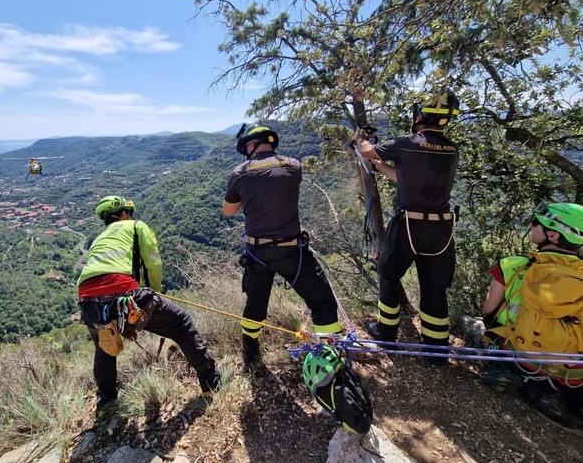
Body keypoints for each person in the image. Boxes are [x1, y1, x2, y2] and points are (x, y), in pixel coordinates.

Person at [77, 195, 220, 414]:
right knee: (181, 323)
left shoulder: (98, 240)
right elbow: (153, 262)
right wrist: (155, 294)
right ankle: (211, 383)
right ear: (125, 213)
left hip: (88, 301)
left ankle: (106, 403)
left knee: (105, 349)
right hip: (124, 292)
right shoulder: (136, 226)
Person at [223, 122, 343, 368]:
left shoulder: (240, 172)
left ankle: (252, 356)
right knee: (322, 303)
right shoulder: (294, 165)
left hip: (258, 251)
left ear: (251, 145)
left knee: (255, 304)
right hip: (292, 250)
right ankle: (332, 360)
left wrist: (249, 197)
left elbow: (228, 211)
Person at [354, 92, 460, 365]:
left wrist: (362, 138)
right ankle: (436, 351)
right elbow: (406, 178)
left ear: (419, 116)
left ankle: (386, 334)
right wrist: (382, 166)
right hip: (442, 229)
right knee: (434, 287)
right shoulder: (451, 149)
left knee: (388, 273)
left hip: (410, 223)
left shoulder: (406, 143)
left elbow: (365, 151)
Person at [480, 201, 583, 425]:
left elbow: (489, 309)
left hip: (517, 358)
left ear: (553, 235)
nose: (531, 226)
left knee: (492, 323)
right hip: (572, 375)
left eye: (537, 223)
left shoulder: (514, 265)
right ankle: (555, 395)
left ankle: (514, 374)